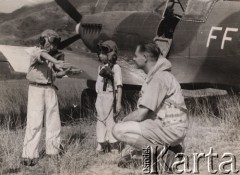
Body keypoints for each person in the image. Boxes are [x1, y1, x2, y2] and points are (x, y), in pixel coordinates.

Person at [112, 43, 188, 170]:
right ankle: (173, 148)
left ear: (145, 57)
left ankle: (165, 152)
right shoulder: (160, 75)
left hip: (170, 129)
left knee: (118, 130)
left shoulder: (158, 78)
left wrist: (123, 121)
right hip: (173, 128)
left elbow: (142, 113)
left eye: (136, 56)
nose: (133, 59)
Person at [21, 29, 70, 166]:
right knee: (34, 122)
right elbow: (42, 54)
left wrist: (65, 70)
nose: (54, 45)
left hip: (50, 88)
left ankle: (53, 151)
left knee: (54, 121)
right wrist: (56, 61)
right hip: (36, 89)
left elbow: (56, 75)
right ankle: (29, 155)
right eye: (52, 41)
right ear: (43, 40)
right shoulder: (36, 51)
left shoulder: (52, 57)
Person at [95, 40, 123, 153]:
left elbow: (119, 86)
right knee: (100, 119)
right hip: (100, 97)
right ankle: (100, 143)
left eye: (103, 53)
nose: (100, 55)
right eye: (100, 52)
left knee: (110, 120)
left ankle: (113, 145)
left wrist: (118, 102)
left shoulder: (116, 68)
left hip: (109, 97)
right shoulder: (100, 67)